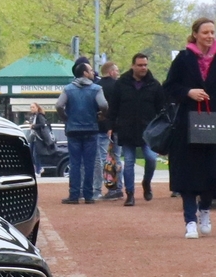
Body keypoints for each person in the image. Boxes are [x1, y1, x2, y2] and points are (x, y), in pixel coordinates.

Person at [163, 18, 216, 238]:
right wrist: (188, 92)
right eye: (205, 32)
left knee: (210, 171)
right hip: (186, 125)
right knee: (187, 173)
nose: (209, 36)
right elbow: (168, 87)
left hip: (213, 122)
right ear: (195, 34)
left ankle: (205, 209)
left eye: (212, 32)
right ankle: (190, 221)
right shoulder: (184, 58)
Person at [103, 52, 161, 206]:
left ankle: (146, 182)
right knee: (129, 162)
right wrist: (110, 126)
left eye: (145, 65)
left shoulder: (154, 85)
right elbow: (113, 107)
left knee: (151, 158)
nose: (143, 68)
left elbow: (161, 108)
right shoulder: (121, 84)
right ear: (133, 66)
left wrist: (161, 128)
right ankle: (130, 194)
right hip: (126, 129)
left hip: (147, 131)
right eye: (140, 65)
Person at [57, 61, 105, 203]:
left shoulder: (68, 89)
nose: (93, 72)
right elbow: (103, 104)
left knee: (75, 163)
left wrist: (66, 118)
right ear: (84, 73)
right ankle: (89, 195)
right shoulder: (96, 89)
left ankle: (74, 195)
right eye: (90, 70)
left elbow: (59, 105)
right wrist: (101, 115)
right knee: (89, 163)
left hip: (73, 130)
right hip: (91, 129)